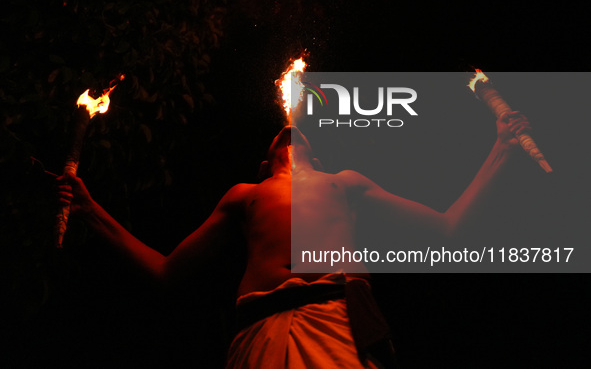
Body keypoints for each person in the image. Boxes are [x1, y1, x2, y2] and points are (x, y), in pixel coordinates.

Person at [57, 111, 531, 368]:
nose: (288, 132)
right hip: (262, 332)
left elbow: (447, 228)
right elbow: (165, 271)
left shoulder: (344, 182)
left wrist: (502, 151)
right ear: (264, 165)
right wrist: (88, 209)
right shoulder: (247, 193)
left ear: (318, 159)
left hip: (335, 323)